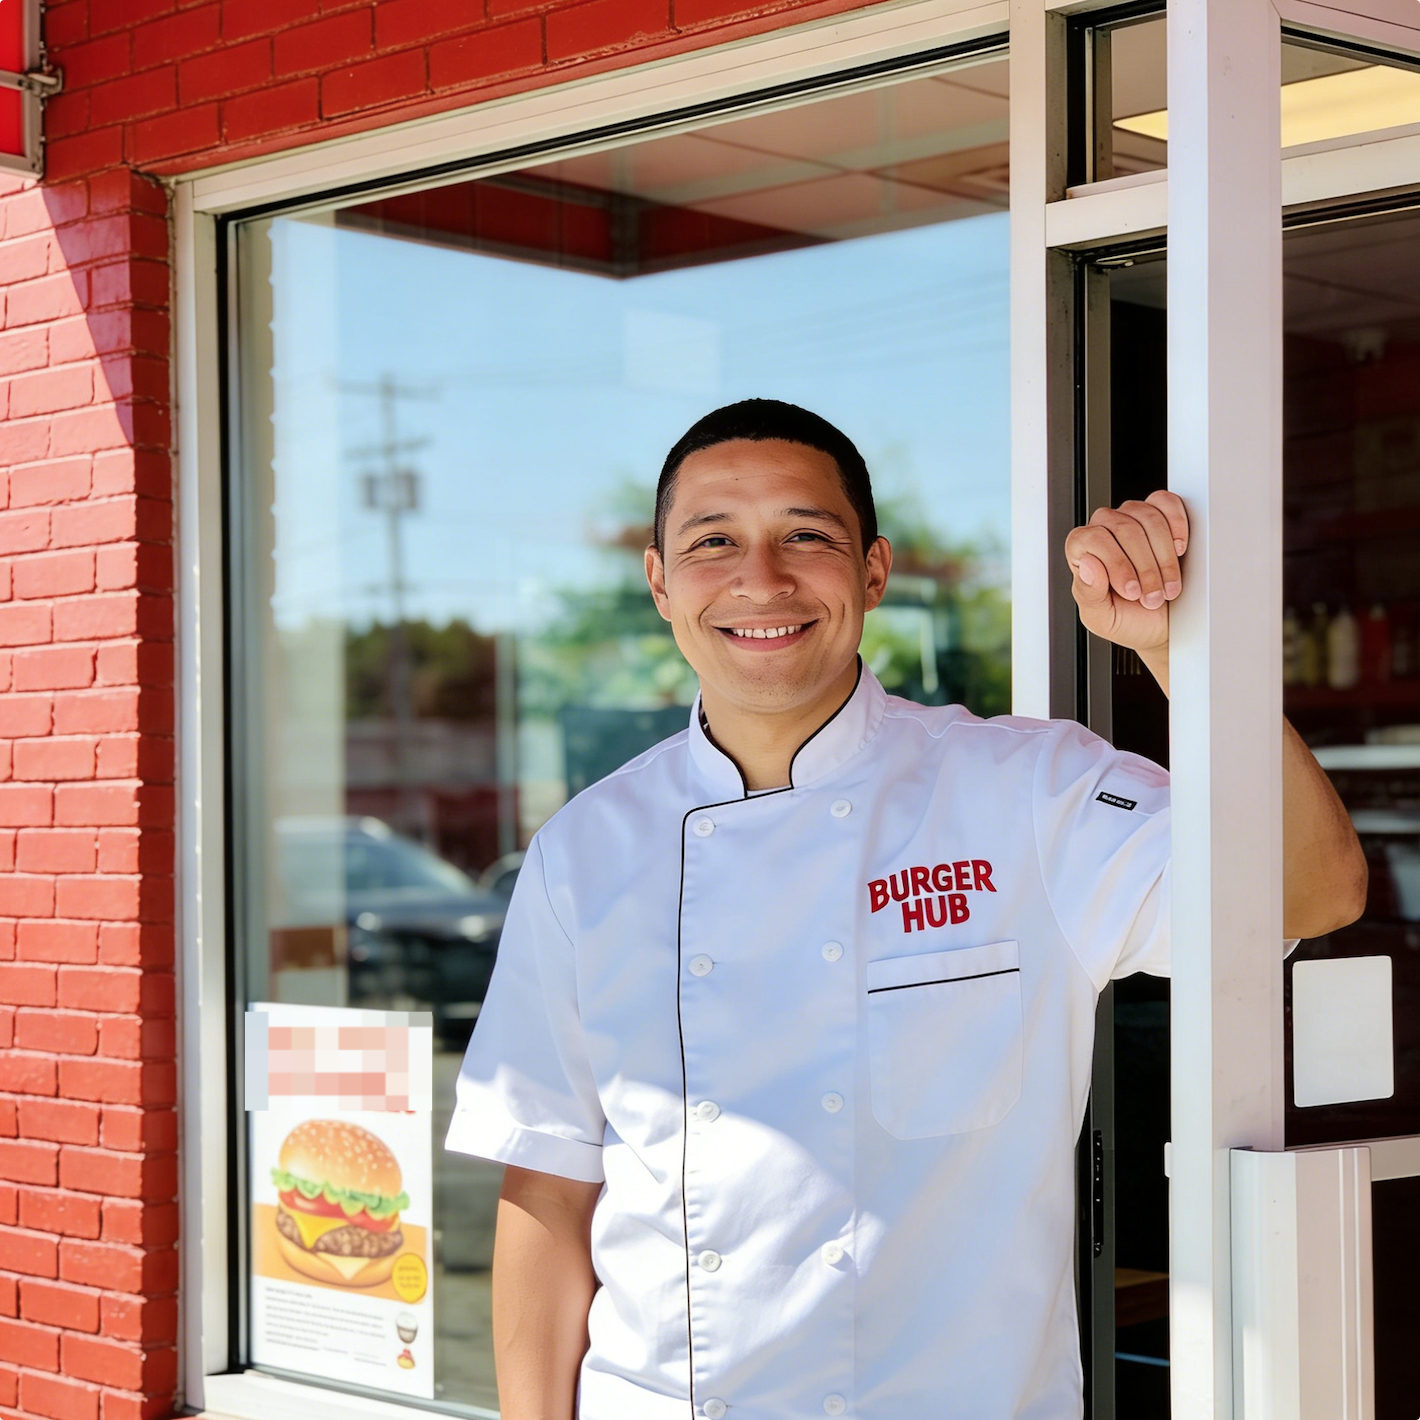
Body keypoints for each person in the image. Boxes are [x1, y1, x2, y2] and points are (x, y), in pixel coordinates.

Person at [446, 399, 1365, 1420]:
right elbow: (549, 1184)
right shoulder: (587, 849)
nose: (761, 578)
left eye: (807, 535)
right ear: (660, 582)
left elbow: (1313, 891)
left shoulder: (1025, 793)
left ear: (874, 571)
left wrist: (1180, 651)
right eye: (713, 542)